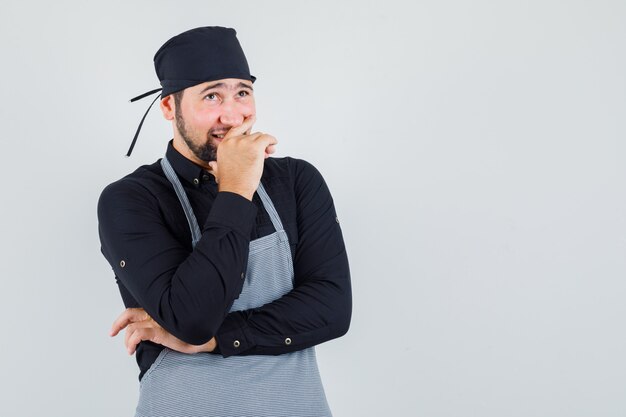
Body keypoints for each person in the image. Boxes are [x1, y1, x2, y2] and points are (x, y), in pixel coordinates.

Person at [97, 26, 352, 417]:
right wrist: (235, 188)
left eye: (243, 93)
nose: (233, 116)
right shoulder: (131, 200)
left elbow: (332, 308)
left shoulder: (297, 181)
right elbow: (195, 316)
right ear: (169, 107)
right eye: (212, 95)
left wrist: (216, 339)